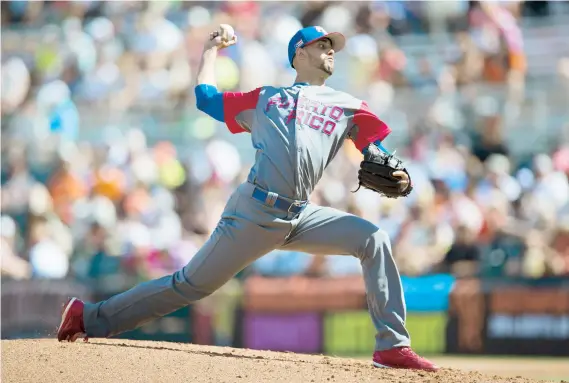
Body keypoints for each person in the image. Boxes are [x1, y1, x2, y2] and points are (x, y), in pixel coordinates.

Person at [57, 26, 438, 372]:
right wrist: (210, 52)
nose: (330, 51)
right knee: (188, 285)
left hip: (301, 215)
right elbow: (206, 99)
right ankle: (87, 317)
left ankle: (392, 347)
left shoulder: (348, 105)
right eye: (322, 45)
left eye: (332, 46)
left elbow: (377, 151)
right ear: (298, 55)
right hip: (253, 212)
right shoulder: (267, 98)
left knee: (374, 238)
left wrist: (401, 175)